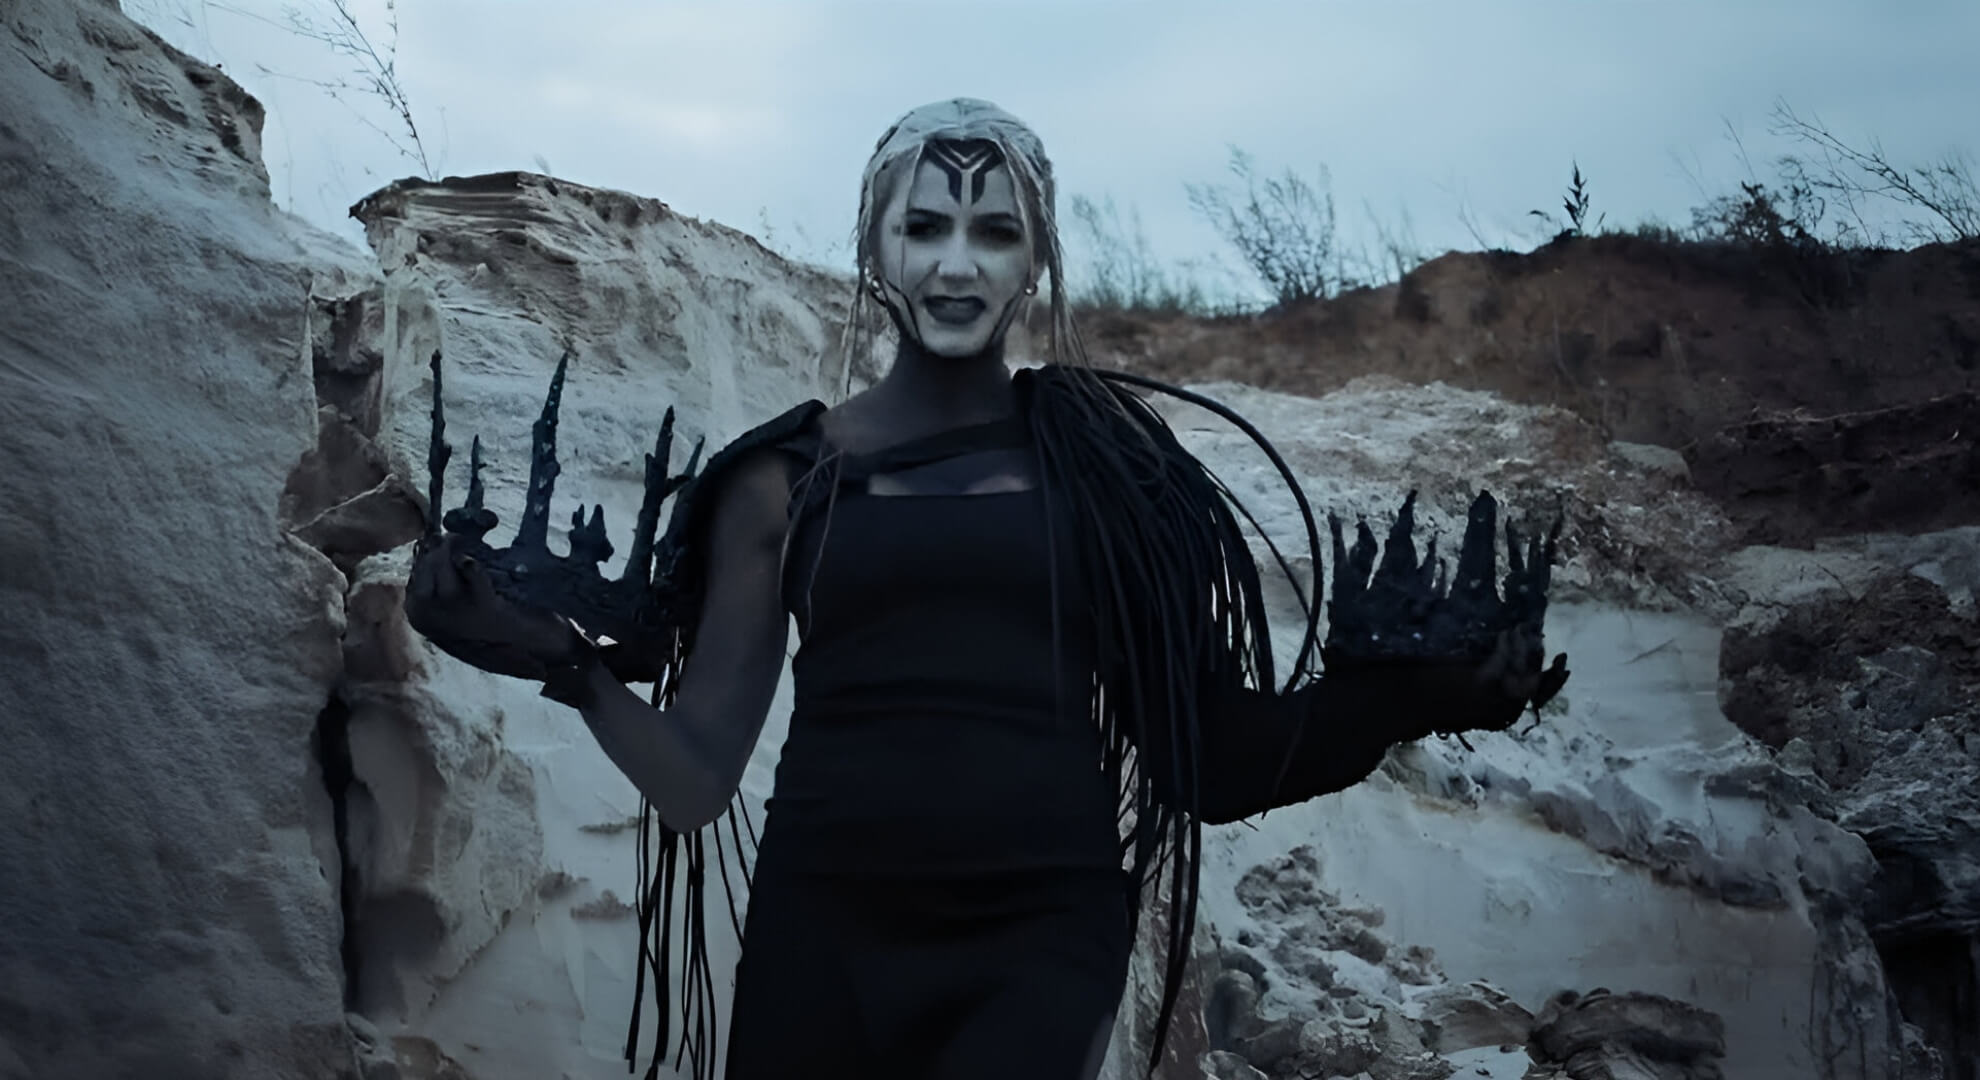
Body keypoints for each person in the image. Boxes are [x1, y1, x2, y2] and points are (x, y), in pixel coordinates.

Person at [404, 98, 1560, 1080]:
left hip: (1040, 933)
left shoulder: (1109, 466)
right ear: (875, 250)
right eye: (924, 226)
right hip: (825, 930)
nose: (957, 264)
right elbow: (701, 780)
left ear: (1037, 258)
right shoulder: (783, 478)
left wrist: (1416, 697)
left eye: (994, 232)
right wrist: (562, 661)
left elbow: (1207, 756)